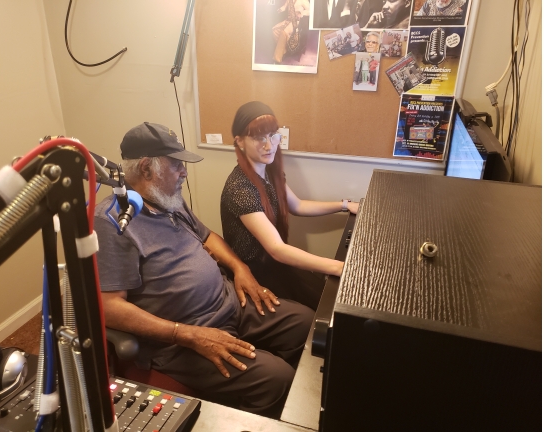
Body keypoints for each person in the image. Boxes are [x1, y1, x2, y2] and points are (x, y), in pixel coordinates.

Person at [95, 122, 314, 418]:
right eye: (176, 165)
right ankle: (244, 415)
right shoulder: (112, 223)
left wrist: (239, 268)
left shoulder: (167, 199)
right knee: (278, 379)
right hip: (184, 337)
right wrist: (187, 334)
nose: (184, 172)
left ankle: (247, 391)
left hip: (226, 301)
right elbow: (109, 308)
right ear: (146, 169)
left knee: (306, 325)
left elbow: (207, 235)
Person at [220, 102, 359, 311]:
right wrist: (340, 267)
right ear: (240, 141)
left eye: (273, 135)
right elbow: (276, 249)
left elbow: (298, 205)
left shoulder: (270, 171)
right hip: (257, 274)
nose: (269, 145)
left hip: (277, 266)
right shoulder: (240, 188)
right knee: (322, 308)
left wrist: (345, 205)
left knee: (327, 298)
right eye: (259, 137)